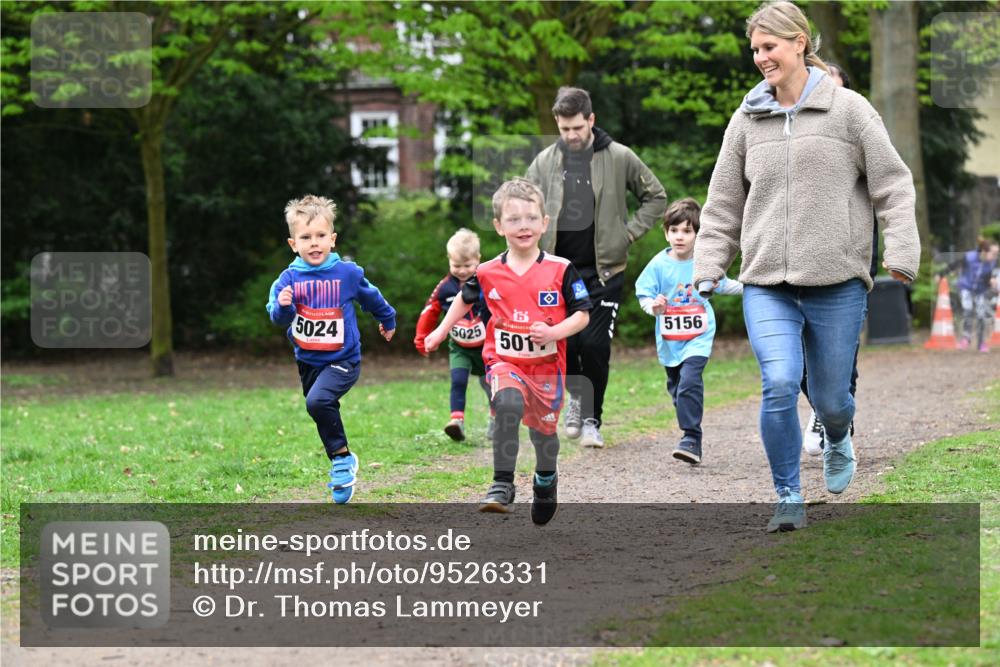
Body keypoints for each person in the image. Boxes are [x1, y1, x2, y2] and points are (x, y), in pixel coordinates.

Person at [693, 1, 920, 532]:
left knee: (832, 398)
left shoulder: (850, 110)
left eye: (769, 46)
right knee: (778, 381)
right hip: (766, 281)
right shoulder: (746, 119)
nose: (760, 58)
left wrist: (902, 253)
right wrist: (708, 263)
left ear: (799, 42)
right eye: (754, 49)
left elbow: (892, 183)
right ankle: (788, 494)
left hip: (837, 281)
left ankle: (838, 434)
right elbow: (723, 201)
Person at [423, 178, 591, 525]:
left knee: (544, 437)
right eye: (513, 219)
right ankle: (502, 484)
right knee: (507, 405)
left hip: (546, 368)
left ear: (545, 222)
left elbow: (582, 314)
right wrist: (439, 331)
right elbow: (463, 299)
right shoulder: (486, 272)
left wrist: (554, 331)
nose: (523, 226)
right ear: (499, 226)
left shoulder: (561, 269)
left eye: (531, 218)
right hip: (504, 361)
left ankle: (546, 482)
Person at [526, 86, 667, 448]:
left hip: (604, 271)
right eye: (564, 129)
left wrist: (627, 234)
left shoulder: (619, 156)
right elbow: (524, 205)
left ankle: (592, 418)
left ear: (591, 120)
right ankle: (577, 400)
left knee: (594, 345)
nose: (571, 136)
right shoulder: (544, 162)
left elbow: (656, 196)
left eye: (577, 127)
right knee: (568, 344)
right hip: (558, 273)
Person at [266, 195, 396, 504]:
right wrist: (283, 307)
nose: (314, 243)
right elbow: (276, 316)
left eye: (321, 236)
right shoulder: (288, 279)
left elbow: (371, 297)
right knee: (319, 406)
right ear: (293, 243)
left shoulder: (347, 274)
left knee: (318, 401)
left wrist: (387, 319)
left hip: (343, 360)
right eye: (306, 237)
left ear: (332, 239)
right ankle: (342, 461)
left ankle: (341, 460)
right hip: (308, 362)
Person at [799, 61, 879, 456]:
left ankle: (834, 418)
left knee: (839, 357)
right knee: (797, 363)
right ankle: (822, 408)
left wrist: (869, 266)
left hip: (847, 270)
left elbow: (885, 195)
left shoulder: (860, 128)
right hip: (795, 272)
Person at [635, 198, 743, 465]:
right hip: (670, 342)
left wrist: (753, 287)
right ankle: (690, 432)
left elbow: (723, 285)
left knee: (690, 381)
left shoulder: (703, 262)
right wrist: (654, 307)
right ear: (666, 232)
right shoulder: (659, 264)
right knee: (678, 390)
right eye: (674, 230)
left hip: (698, 338)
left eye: (686, 231)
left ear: (698, 234)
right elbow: (644, 294)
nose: (679, 237)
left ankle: (691, 438)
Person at [414, 228, 494, 441]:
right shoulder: (445, 288)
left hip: (487, 347)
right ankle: (456, 421)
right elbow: (429, 311)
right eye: (456, 265)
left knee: (490, 384)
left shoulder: (486, 282)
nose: (461, 270)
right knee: (458, 380)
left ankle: (496, 418)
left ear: (478, 259)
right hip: (459, 346)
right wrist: (422, 338)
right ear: (449, 261)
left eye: (467, 265)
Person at [949, 238, 999, 352]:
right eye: (994, 253)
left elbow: (990, 277)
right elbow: (954, 265)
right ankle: (966, 338)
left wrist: (991, 281)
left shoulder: (992, 262)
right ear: (984, 251)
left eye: (997, 254)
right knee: (968, 311)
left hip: (980, 291)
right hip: (966, 288)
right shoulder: (969, 257)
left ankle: (981, 343)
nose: (996, 256)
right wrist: (941, 274)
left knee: (981, 315)